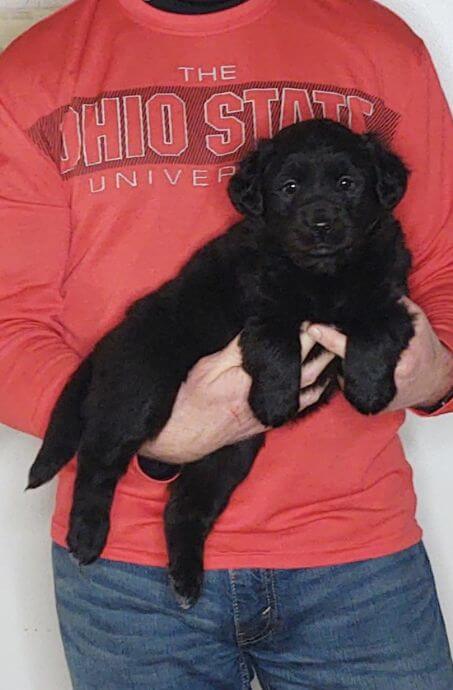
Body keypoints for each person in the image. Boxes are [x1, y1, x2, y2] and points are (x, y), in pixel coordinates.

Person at [0, 0, 452, 687]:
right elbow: (6, 320)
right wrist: (153, 430)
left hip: (356, 558)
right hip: (127, 572)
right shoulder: (34, 70)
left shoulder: (376, 43)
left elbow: (444, 270)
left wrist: (438, 376)